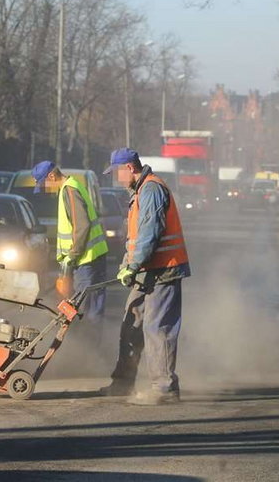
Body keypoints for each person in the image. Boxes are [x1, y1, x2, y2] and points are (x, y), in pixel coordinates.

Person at [101, 148, 190, 406]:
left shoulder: (151, 189)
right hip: (146, 269)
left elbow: (150, 233)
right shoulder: (139, 191)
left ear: (129, 167)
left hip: (163, 270)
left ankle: (165, 388)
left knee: (157, 327)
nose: (115, 179)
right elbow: (135, 238)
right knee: (132, 321)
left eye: (116, 173)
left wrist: (134, 264)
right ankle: (123, 384)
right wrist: (126, 265)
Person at [31, 161, 109, 321]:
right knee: (93, 309)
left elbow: (82, 225)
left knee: (83, 311)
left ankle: (88, 343)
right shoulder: (73, 187)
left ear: (51, 176)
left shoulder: (70, 190)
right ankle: (94, 343)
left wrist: (72, 255)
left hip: (86, 262)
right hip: (92, 259)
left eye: (44, 185)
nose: (45, 190)